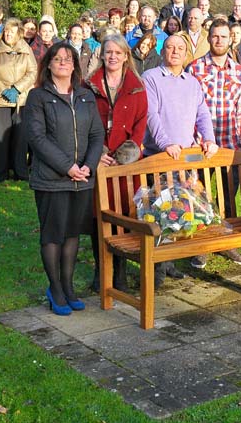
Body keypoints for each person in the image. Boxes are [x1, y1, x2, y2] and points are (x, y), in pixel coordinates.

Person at [25, 42, 104, 316]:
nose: (62, 63)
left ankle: (69, 287)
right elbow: (36, 138)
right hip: (51, 179)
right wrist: (67, 166)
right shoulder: (38, 97)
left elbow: (96, 135)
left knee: (72, 233)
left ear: (74, 65)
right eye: (57, 59)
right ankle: (55, 288)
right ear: (48, 64)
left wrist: (87, 166)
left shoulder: (86, 96)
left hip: (82, 180)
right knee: (53, 235)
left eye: (67, 59)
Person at [142, 34, 217, 286]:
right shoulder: (151, 77)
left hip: (185, 159)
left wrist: (208, 139)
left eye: (180, 48)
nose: (175, 51)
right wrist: (165, 144)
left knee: (177, 212)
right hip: (160, 156)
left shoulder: (192, 82)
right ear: (163, 51)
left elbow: (203, 113)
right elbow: (151, 114)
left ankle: (170, 263)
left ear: (187, 54)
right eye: (171, 47)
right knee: (158, 212)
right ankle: (157, 271)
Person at [187, 19, 241, 269]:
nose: (219, 41)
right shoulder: (195, 69)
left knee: (228, 198)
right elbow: (189, 108)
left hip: (229, 145)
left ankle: (227, 242)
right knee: (199, 196)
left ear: (230, 39)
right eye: (215, 36)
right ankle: (201, 244)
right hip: (200, 147)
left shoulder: (239, 71)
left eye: (224, 37)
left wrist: (240, 141)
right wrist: (195, 141)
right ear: (209, 37)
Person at [86, 34, 148, 292]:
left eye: (117, 52)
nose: (112, 56)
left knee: (122, 216)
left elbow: (140, 124)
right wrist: (97, 153)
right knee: (97, 217)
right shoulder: (90, 85)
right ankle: (101, 272)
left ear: (125, 56)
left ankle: (120, 274)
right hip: (98, 160)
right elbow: (85, 122)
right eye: (108, 52)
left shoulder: (136, 86)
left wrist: (124, 156)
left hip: (125, 165)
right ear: (102, 54)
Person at [0, 18, 37, 182]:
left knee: (20, 138)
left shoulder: (26, 49)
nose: (9, 34)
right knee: (0, 137)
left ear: (19, 34)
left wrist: (17, 88)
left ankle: (20, 173)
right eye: (7, 31)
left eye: (12, 31)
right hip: (1, 100)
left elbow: (32, 72)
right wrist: (3, 90)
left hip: (21, 100)